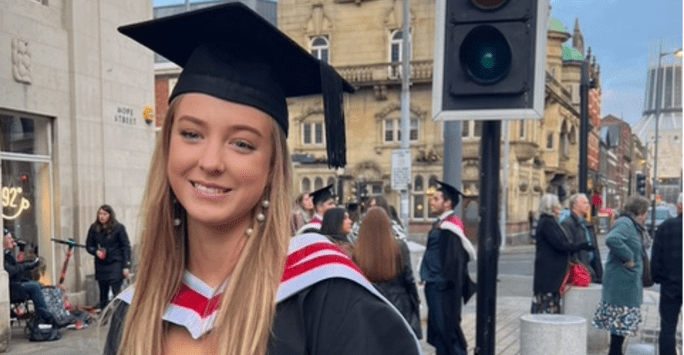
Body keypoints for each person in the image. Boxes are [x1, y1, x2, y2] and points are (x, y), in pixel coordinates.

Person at [104, 4, 422, 355]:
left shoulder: (325, 298)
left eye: (242, 143)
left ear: (272, 168)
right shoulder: (132, 313)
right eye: (191, 134)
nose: (210, 162)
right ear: (166, 148)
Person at [419, 180, 476, 355]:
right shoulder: (442, 224)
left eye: (436, 198)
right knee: (440, 334)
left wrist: (441, 284)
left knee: (448, 333)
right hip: (436, 287)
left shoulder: (450, 227)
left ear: (447, 202)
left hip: (443, 291)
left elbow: (455, 263)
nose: (432, 201)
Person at [592, 195, 650, 355]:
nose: (646, 216)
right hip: (621, 284)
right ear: (641, 212)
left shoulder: (634, 225)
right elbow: (612, 239)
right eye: (646, 212)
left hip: (626, 283)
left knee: (621, 328)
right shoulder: (626, 223)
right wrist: (629, 256)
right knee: (618, 327)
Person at [353, 207, 422, 339]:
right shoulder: (399, 247)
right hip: (399, 306)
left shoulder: (358, 251)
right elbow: (409, 279)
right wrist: (415, 304)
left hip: (370, 307)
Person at [531, 194, 590, 314]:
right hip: (548, 273)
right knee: (547, 304)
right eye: (556, 206)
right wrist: (579, 246)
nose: (559, 208)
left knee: (550, 302)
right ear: (550, 207)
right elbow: (560, 244)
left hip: (551, 272)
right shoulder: (547, 222)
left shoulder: (550, 221)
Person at [651, 193, 682, 355]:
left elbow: (656, 256)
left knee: (668, 326)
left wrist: (657, 277)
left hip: (671, 283)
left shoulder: (666, 226)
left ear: (679, 206)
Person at [86, 204, 132, 310]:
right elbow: (89, 245)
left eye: (104, 214)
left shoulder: (119, 228)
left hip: (116, 262)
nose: (101, 216)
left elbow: (126, 246)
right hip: (101, 264)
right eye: (99, 214)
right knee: (103, 292)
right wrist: (95, 251)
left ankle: (118, 315)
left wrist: (126, 265)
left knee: (117, 290)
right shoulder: (94, 228)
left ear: (110, 215)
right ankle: (104, 315)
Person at [3, 231, 53, 325]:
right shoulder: (2, 256)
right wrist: (28, 265)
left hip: (17, 285)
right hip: (11, 289)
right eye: (9, 238)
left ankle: (51, 313)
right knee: (34, 286)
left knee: (40, 285)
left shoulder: (7, 254)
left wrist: (30, 263)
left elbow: (18, 266)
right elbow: (11, 271)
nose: (13, 240)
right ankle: (46, 317)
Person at [561, 193, 603, 283]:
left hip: (591, 269)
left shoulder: (587, 225)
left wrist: (600, 274)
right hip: (580, 273)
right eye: (584, 203)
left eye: (588, 203)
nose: (588, 205)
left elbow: (595, 251)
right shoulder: (568, 224)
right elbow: (570, 250)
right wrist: (581, 269)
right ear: (575, 206)